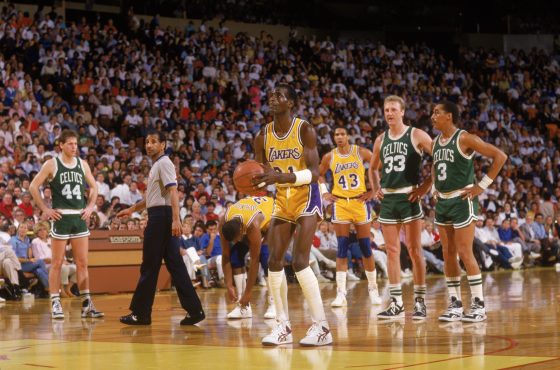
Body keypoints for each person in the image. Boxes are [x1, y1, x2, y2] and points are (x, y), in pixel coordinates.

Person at [252, 84, 332, 346]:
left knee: (299, 261)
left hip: (307, 196)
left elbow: (315, 172)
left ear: (292, 104)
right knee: (274, 262)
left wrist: (281, 177)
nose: (274, 98)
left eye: (281, 96)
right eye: (272, 95)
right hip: (282, 199)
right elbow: (263, 173)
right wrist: (257, 181)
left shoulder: (304, 129)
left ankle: (321, 327)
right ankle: (282, 326)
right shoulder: (262, 136)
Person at [117, 131, 205, 326]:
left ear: (163, 144)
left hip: (161, 218)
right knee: (175, 265)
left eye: (154, 142)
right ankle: (194, 310)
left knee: (149, 265)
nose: (149, 145)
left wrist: (176, 220)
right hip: (161, 215)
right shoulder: (157, 165)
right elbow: (152, 198)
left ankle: (141, 313)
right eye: (147, 142)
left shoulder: (164, 163)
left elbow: (173, 192)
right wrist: (132, 209)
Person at [431, 101, 506, 322]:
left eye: (437, 113)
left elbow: (500, 156)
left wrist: (481, 186)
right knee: (447, 254)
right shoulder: (436, 142)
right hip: (443, 203)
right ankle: (455, 304)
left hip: (462, 201)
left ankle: (479, 305)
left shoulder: (465, 138)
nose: (432, 116)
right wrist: (435, 187)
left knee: (465, 252)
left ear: (449, 117)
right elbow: (436, 167)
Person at [369, 95, 433, 320]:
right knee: (392, 251)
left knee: (415, 251)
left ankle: (420, 302)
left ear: (402, 112)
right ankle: (396, 303)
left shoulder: (416, 135)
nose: (389, 113)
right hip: (389, 200)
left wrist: (426, 186)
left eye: (394, 109)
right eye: (386, 110)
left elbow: (441, 158)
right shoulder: (380, 139)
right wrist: (376, 188)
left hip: (410, 198)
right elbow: (373, 168)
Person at [29, 129, 103, 319]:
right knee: (57, 263)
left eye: (76, 144)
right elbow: (33, 187)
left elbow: (94, 187)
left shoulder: (83, 164)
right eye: (70, 143)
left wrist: (90, 206)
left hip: (79, 217)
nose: (74, 147)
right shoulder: (51, 164)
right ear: (60, 145)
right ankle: (55, 301)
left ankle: (87, 304)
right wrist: (45, 209)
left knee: (82, 263)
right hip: (61, 218)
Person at [318, 126, 382, 308]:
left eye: (342, 134)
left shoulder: (360, 152)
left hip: (360, 202)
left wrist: (374, 190)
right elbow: (319, 175)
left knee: (365, 247)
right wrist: (324, 192)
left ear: (348, 136)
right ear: (333, 138)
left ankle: (373, 289)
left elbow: (380, 166)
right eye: (336, 134)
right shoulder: (329, 156)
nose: (339, 137)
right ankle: (341, 293)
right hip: (340, 204)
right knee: (342, 248)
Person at [220, 195, 275, 320]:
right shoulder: (223, 221)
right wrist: (228, 285)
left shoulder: (253, 225)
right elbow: (225, 254)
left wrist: (249, 293)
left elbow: (254, 261)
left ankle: (274, 303)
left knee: (265, 257)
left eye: (237, 238)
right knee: (235, 256)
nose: (236, 241)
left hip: (273, 216)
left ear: (241, 230)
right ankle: (243, 305)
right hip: (250, 211)